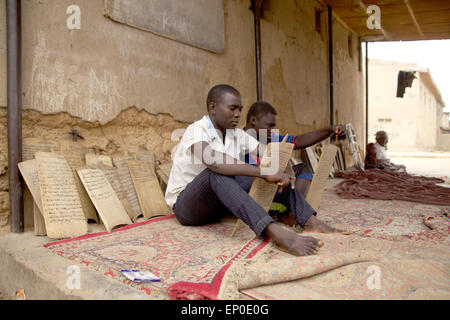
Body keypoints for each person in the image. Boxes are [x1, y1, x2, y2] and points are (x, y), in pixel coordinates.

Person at [166, 84, 342, 257]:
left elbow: (267, 152)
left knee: (275, 174)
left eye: (240, 109)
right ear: (213, 107)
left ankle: (309, 220)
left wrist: (284, 168)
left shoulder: (236, 134)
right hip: (188, 208)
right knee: (218, 172)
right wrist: (263, 172)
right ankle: (275, 233)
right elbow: (215, 162)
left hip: (218, 206)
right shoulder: (196, 130)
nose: (238, 114)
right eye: (232, 108)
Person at [243, 101, 346, 197]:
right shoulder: (238, 138)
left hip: (268, 182)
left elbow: (298, 141)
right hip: (247, 188)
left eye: (273, 126)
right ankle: (291, 207)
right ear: (253, 120)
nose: (272, 130)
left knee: (303, 169)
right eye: (269, 126)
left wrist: (329, 130)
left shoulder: (268, 137)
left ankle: (293, 210)